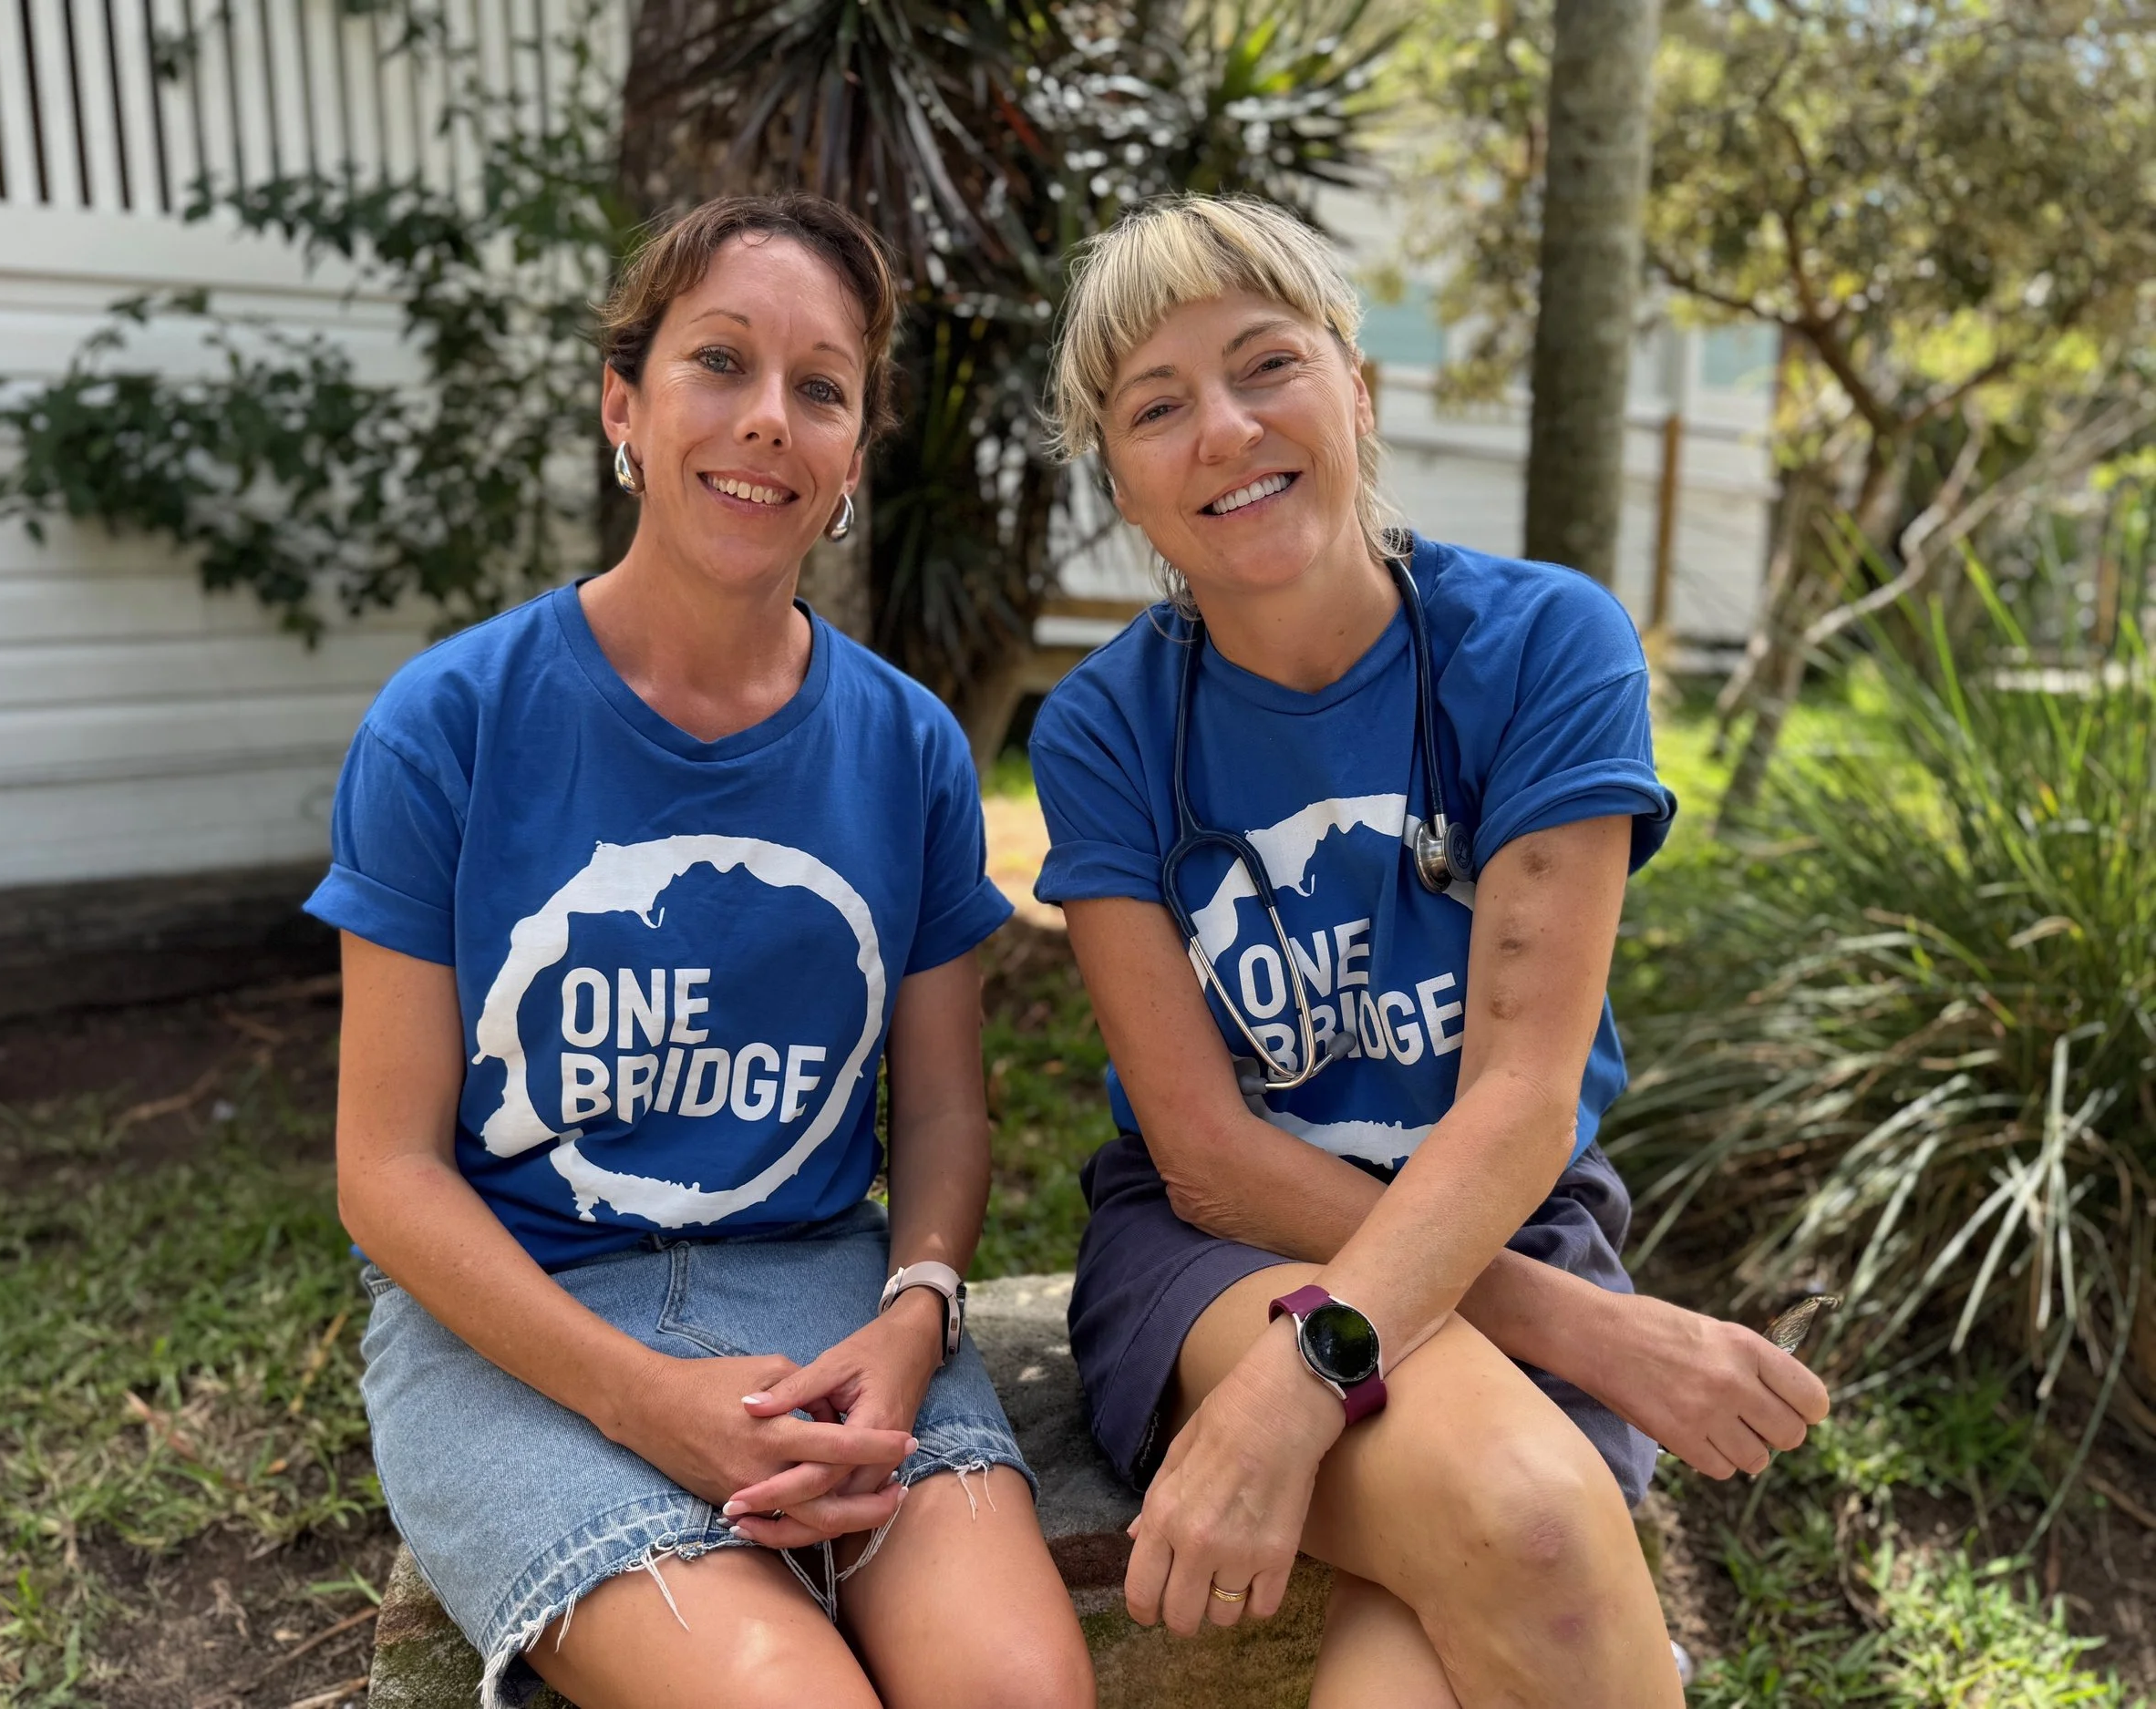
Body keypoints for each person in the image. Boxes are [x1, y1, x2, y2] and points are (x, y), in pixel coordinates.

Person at [1027, 194, 1831, 1705]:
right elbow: (1202, 1151)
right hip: (1221, 1252)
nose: (1223, 427)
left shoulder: (1541, 648)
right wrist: (1579, 1336)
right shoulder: (1105, 731)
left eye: (1266, 364)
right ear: (1121, 480)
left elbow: (1521, 1101)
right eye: (1157, 405)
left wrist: (1313, 1375)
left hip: (1502, 1210)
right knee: (1532, 1521)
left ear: (1357, 389)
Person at [310, 193, 1093, 1709]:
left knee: (1021, 1690)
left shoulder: (910, 747)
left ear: (854, 455)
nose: (766, 422)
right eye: (718, 362)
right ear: (625, 402)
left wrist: (915, 1311)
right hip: (517, 1319)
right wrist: (650, 1402)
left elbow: (939, 1111)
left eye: (821, 387)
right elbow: (384, 1171)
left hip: (828, 1301)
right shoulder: (448, 726)